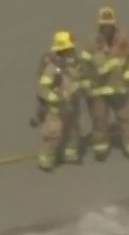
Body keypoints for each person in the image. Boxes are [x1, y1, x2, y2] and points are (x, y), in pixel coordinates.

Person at [85, 6, 129, 163]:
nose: (107, 28)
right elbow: (84, 63)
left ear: (114, 24)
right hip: (98, 89)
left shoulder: (123, 39)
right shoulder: (92, 41)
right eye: (104, 25)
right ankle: (101, 149)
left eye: (109, 25)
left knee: (127, 118)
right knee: (99, 120)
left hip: (119, 87)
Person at [32, 30, 92, 171]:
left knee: (73, 131)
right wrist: (52, 96)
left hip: (72, 104)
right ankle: (46, 160)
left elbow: (82, 78)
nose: (73, 50)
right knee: (53, 132)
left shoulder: (75, 62)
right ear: (63, 49)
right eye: (70, 48)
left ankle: (69, 154)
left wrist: (84, 87)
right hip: (56, 107)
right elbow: (42, 86)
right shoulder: (52, 65)